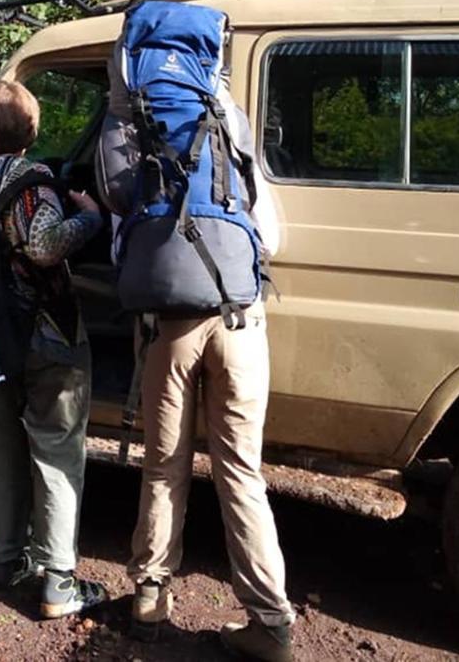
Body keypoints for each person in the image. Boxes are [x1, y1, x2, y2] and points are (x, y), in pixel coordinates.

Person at [127, 159, 297, 661]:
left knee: (164, 466)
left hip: (171, 323)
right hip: (240, 320)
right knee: (242, 473)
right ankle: (269, 620)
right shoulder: (233, 136)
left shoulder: (146, 136)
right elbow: (270, 241)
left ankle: (150, 599)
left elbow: (125, 239)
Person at [0, 79, 109, 619]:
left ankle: (2, 560)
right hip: (45, 334)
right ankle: (59, 582)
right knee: (57, 446)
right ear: (31, 129)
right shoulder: (35, 181)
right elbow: (44, 247)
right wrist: (90, 216)